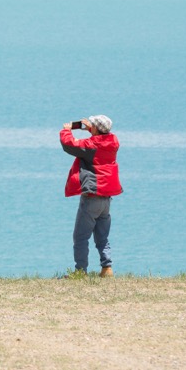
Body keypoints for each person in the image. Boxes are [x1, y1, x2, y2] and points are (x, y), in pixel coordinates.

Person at [59, 115, 123, 277]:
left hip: (92, 196)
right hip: (106, 198)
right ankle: (107, 268)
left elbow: (69, 145)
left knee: (80, 237)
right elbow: (98, 143)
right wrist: (91, 129)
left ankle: (80, 272)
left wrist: (66, 131)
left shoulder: (91, 145)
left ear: (95, 129)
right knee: (102, 236)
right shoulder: (113, 142)